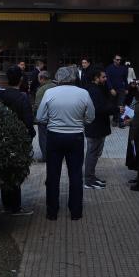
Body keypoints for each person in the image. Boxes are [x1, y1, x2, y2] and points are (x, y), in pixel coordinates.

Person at [36, 67, 95, 221]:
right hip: (75, 136)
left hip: (54, 136)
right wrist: (79, 121)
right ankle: (76, 212)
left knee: (53, 175)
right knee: (75, 175)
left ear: (58, 78)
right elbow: (90, 117)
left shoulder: (50, 93)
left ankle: (52, 212)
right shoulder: (83, 93)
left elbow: (40, 117)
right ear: (74, 77)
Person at [0, 66, 35, 216]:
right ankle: (16, 207)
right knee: (16, 172)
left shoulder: (1, 94)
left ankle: (6, 205)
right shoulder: (22, 97)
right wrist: (30, 135)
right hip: (17, 139)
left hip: (2, 137)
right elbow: (28, 121)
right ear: (20, 79)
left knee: (5, 171)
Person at [83, 67, 112, 190]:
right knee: (92, 153)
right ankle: (88, 180)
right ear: (96, 78)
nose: (105, 79)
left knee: (95, 153)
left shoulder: (99, 88)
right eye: (103, 77)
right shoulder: (93, 90)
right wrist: (115, 110)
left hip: (98, 127)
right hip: (95, 127)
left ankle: (91, 177)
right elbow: (98, 109)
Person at [33, 70, 56, 160]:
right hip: (55, 117)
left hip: (44, 118)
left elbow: (38, 106)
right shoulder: (56, 86)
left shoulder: (41, 89)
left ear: (42, 78)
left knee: (43, 138)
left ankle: (46, 157)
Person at [106, 54, 128, 128]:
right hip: (113, 89)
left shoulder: (123, 68)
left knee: (121, 105)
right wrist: (111, 89)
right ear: (114, 60)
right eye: (117, 59)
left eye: (120, 60)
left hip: (121, 89)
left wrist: (126, 88)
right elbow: (107, 79)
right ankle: (115, 120)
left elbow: (125, 79)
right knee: (113, 105)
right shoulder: (109, 68)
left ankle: (120, 121)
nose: (119, 61)